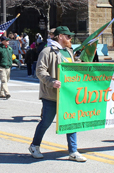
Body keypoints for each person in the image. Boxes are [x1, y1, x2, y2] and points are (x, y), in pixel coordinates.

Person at [29, 26, 87, 162]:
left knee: (71, 122)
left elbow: (73, 67)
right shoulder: (47, 51)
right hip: (51, 95)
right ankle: (34, 146)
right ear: (60, 36)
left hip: (68, 94)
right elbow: (40, 71)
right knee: (46, 122)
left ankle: (73, 151)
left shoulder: (68, 51)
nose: (70, 39)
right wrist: (51, 81)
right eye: (68, 36)